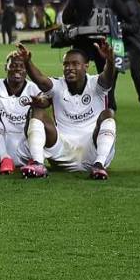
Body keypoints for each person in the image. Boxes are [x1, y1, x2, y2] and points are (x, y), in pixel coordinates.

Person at [17, 41, 117, 180]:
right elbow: (40, 80)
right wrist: (27, 62)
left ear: (86, 66)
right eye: (66, 64)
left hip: (92, 151)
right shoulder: (58, 85)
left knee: (108, 114)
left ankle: (99, 165)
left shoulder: (97, 84)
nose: (69, 68)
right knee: (37, 110)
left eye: (75, 64)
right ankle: (38, 163)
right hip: (62, 153)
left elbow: (108, 77)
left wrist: (110, 60)